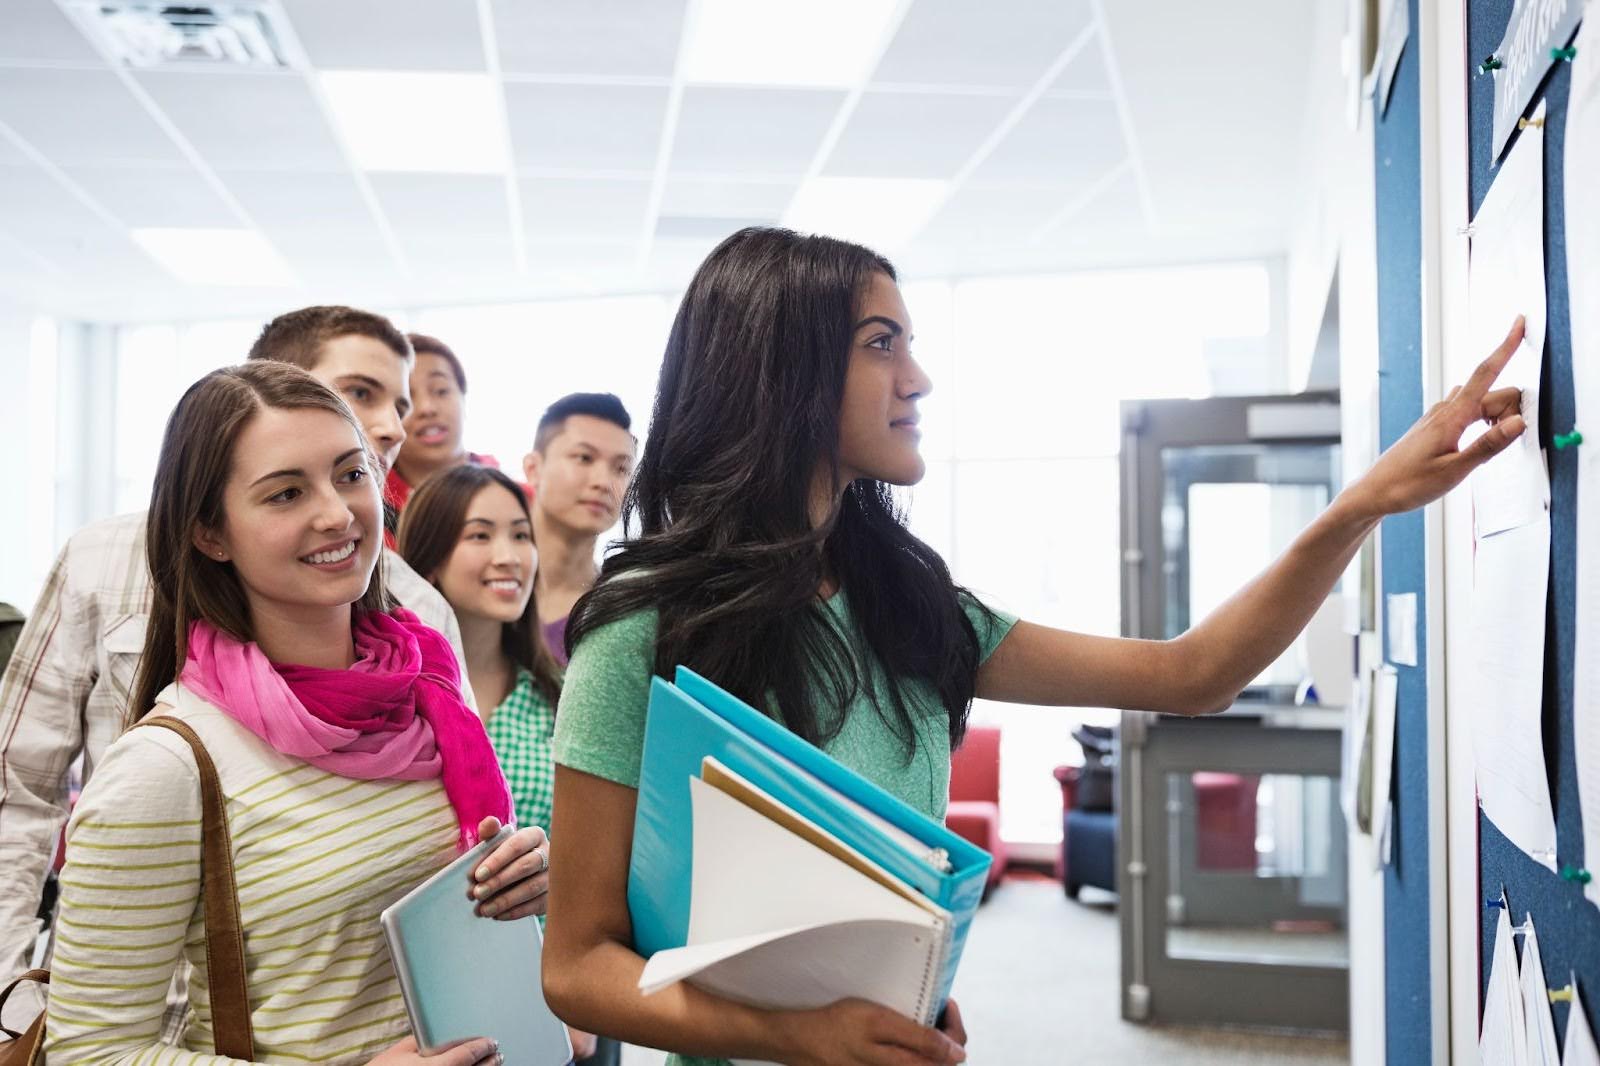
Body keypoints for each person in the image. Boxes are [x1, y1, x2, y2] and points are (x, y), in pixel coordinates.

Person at [538, 227, 1527, 1066]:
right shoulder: (642, 635)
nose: (917, 377)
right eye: (882, 344)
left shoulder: (912, 609)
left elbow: (1190, 674)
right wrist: (792, 1033)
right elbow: (577, 966)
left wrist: (1359, 507)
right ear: (780, 374)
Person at [43, 361, 548, 1064]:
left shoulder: (426, 689)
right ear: (210, 535)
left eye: (351, 474)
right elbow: (89, 1053)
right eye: (285, 493)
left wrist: (526, 887)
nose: (338, 513)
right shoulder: (168, 765)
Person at [0, 305, 476, 1024]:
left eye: (350, 471)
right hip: (151, 1004)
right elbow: (18, 790)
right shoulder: (164, 751)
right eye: (362, 393)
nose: (390, 425)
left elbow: (432, 869)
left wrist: (502, 889)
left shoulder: (418, 635)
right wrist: (19, 1000)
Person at [397, 464, 617, 1065]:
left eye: (522, 535)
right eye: (480, 534)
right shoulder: (392, 711)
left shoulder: (565, 703)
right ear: (429, 557)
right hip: (412, 1008)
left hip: (551, 1011)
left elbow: (605, 865)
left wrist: (578, 997)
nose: (511, 555)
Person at [520, 394, 635, 666]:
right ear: (533, 468)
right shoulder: (481, 580)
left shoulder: (618, 611)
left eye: (621, 468)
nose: (603, 482)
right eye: (584, 458)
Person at [388, 333, 507, 514]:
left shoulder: (516, 497)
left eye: (441, 390)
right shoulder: (368, 509)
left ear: (464, 399)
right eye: (407, 396)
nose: (427, 408)